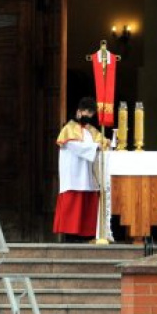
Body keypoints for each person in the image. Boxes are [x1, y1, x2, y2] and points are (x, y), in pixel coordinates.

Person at [54, 97, 104, 240]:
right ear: (78, 111)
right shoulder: (68, 129)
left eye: (91, 114)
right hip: (73, 173)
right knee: (73, 204)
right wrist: (95, 147)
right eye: (86, 112)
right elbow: (76, 147)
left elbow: (103, 143)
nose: (88, 116)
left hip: (87, 174)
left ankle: (85, 235)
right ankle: (70, 236)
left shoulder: (91, 131)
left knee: (87, 204)